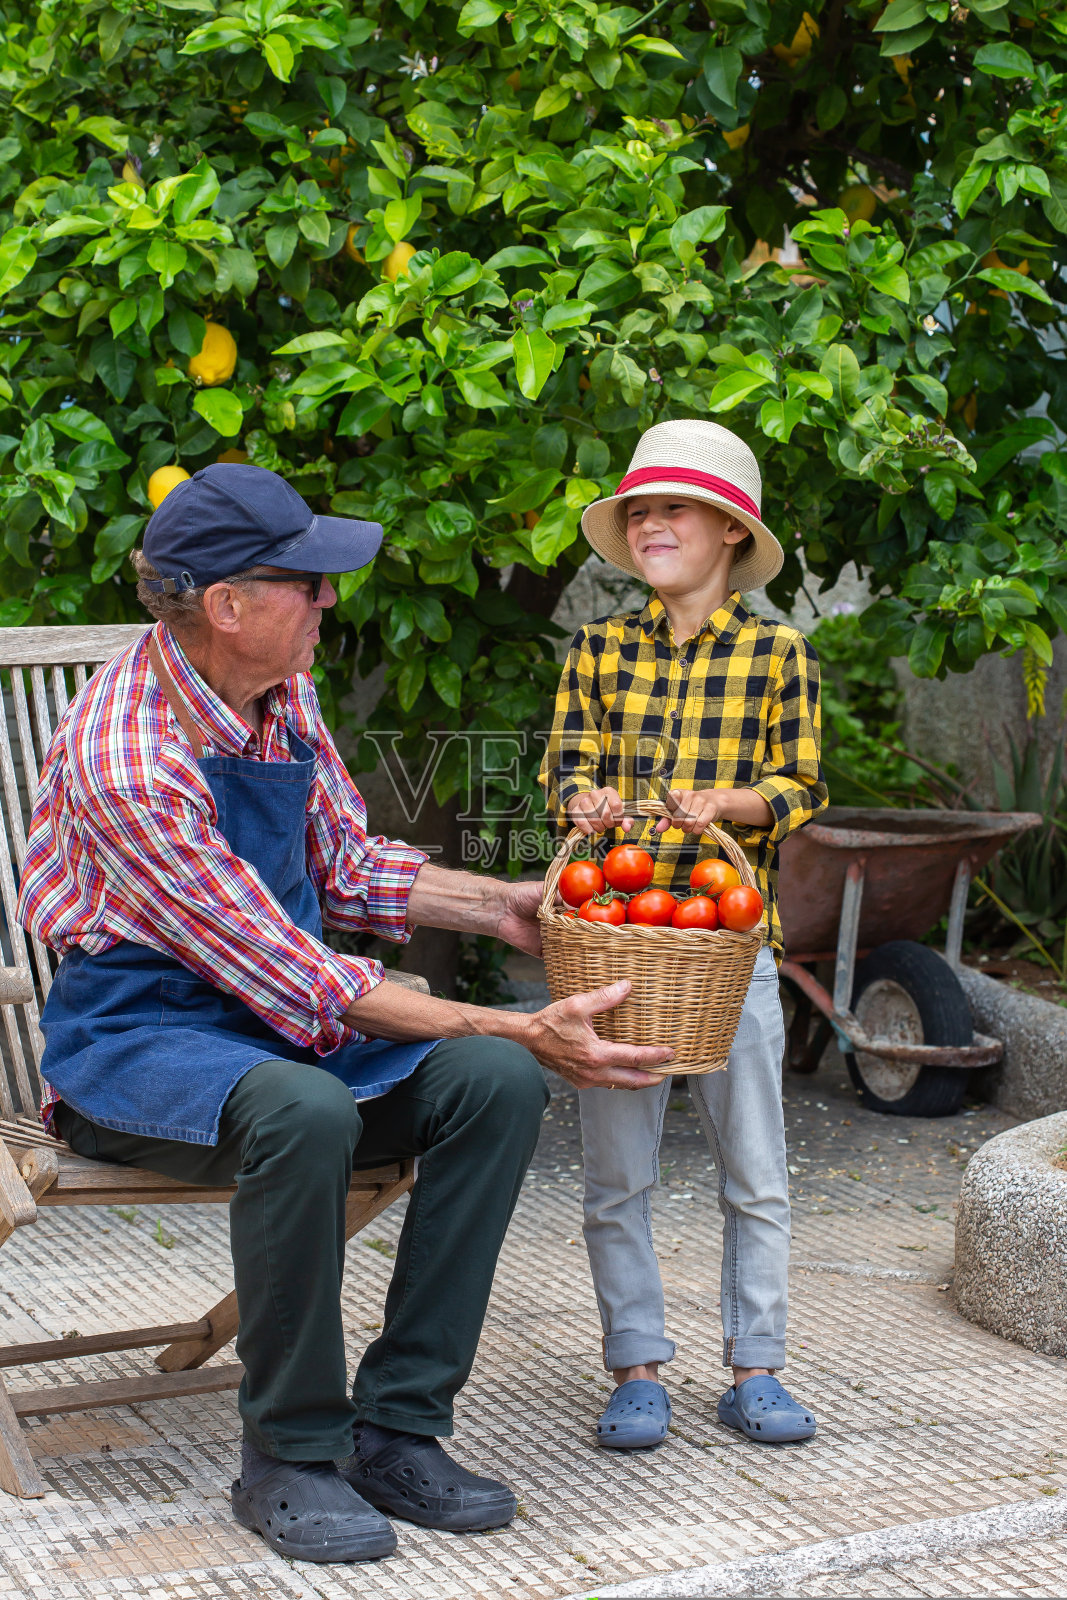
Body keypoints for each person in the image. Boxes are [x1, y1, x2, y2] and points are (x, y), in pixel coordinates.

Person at [17, 463, 671, 1565]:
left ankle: (398, 1426)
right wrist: (518, 1021)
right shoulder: (126, 753)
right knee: (316, 1106)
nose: (330, 600)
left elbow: (349, 867)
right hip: (135, 1043)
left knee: (493, 1087)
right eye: (308, 582)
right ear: (228, 604)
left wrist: (503, 905)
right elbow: (294, 973)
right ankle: (289, 1455)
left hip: (272, 1029)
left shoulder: (282, 696)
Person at [539, 419, 828, 1451]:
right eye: (638, 511)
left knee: (753, 1170)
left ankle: (755, 1366)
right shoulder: (601, 650)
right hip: (615, 944)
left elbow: (799, 787)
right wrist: (589, 804)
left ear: (726, 531)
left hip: (728, 947)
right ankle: (637, 1365)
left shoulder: (773, 653)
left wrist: (726, 804)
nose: (650, 522)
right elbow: (564, 768)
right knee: (616, 1172)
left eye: (671, 507)